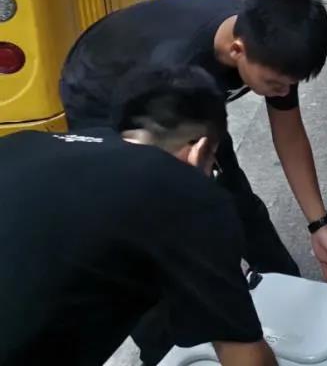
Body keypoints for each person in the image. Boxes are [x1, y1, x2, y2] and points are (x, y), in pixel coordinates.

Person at [59, 0, 327, 359]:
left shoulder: (273, 45)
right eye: (275, 85)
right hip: (100, 88)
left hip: (184, 93)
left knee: (233, 195)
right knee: (150, 229)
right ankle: (164, 350)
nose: (283, 92)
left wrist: (319, 225)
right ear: (237, 51)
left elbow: (290, 134)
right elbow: (169, 190)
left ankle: (282, 283)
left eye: (289, 86)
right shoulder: (177, 67)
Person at [0, 67, 277, 366]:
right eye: (214, 166)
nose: (211, 175)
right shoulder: (187, 192)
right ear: (199, 149)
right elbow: (245, 356)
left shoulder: (21, 143)